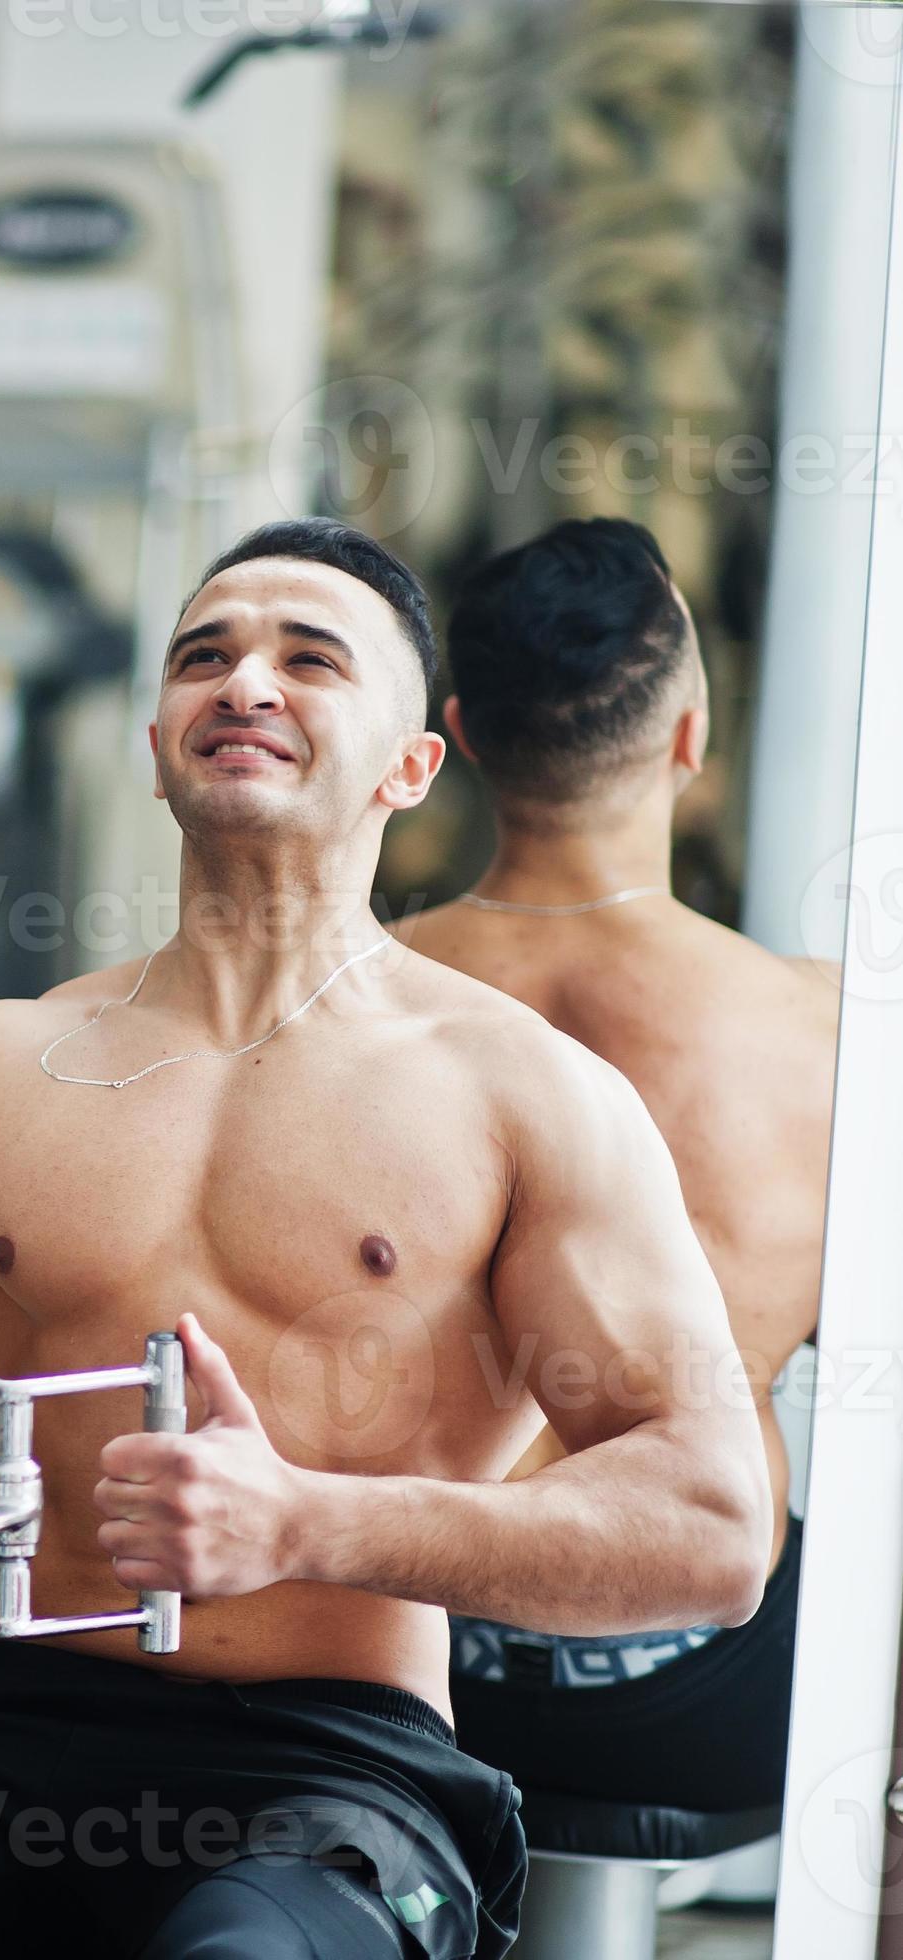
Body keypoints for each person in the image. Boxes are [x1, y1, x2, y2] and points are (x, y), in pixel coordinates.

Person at [0, 518, 771, 1960]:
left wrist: (304, 1521)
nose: (243, 682)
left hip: (332, 1768)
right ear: (158, 734)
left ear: (410, 765)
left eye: (307, 659)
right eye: (203, 656)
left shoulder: (522, 1091)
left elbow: (709, 1525)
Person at [393, 518, 833, 1811]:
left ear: (460, 735)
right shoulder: (834, 1034)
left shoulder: (339, 1002)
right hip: (698, 1686)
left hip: (394, 1654)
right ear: (689, 738)